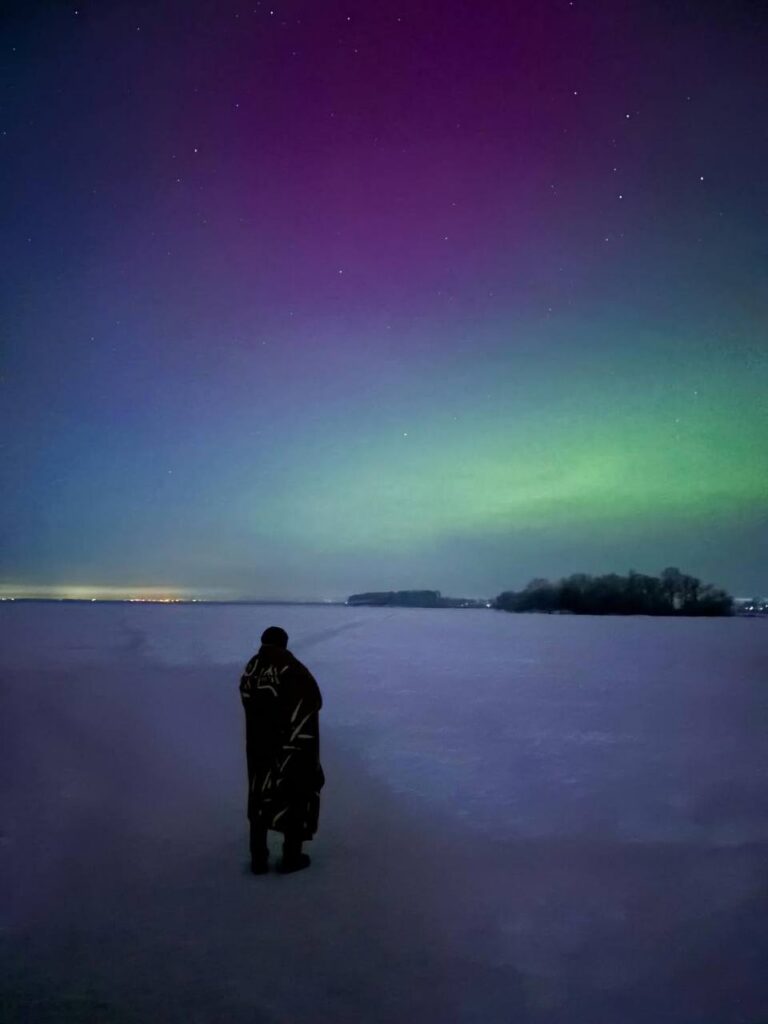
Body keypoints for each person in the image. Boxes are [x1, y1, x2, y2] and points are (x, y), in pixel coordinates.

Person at [239, 626, 325, 874]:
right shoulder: (291, 669)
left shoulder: (252, 669)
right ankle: (291, 857)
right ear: (284, 643)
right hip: (291, 748)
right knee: (296, 794)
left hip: (258, 746)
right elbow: (313, 700)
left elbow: (249, 699)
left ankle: (258, 858)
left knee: (258, 796)